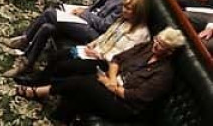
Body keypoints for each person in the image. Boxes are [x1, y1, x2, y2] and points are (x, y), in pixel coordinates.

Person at [15, 27, 185, 124]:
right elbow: (117, 59)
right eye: (156, 40)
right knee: (82, 76)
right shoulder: (146, 47)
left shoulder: (164, 74)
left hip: (124, 105)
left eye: (161, 45)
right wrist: (111, 80)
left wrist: (110, 85)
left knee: (84, 84)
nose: (155, 45)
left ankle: (40, 92)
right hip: (113, 82)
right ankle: (61, 116)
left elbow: (134, 96)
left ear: (169, 51)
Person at [2, 0, 136, 77]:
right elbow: (97, 8)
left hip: (96, 35)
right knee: (47, 27)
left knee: (50, 13)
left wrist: (84, 14)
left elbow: (105, 26)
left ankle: (25, 40)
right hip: (87, 21)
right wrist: (82, 11)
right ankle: (27, 64)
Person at [16, 0, 151, 86]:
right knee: (57, 55)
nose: (124, 10)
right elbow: (106, 36)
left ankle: (39, 84)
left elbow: (124, 58)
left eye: (128, 9)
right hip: (94, 51)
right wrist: (93, 44)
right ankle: (40, 80)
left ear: (138, 12)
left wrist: (100, 55)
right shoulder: (122, 21)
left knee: (64, 64)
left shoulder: (141, 35)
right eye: (124, 7)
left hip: (105, 63)